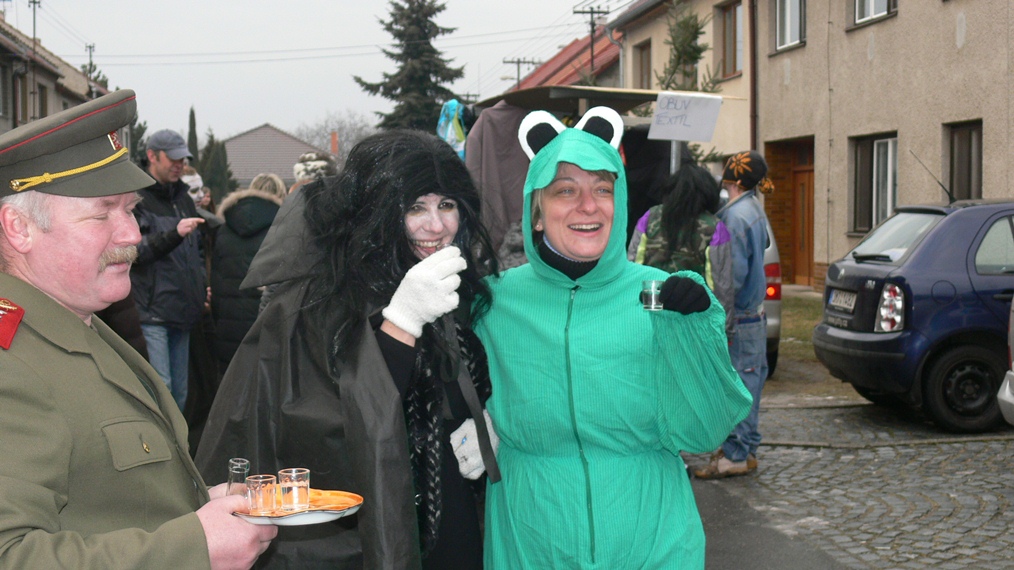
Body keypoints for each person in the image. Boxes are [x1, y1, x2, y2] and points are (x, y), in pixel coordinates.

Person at [196, 130, 500, 569]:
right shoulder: (315, 301)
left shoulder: (449, 280)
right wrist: (401, 325)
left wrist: (483, 419)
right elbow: (328, 428)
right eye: (415, 207)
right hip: (354, 532)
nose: (436, 226)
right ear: (377, 212)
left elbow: (456, 384)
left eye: (447, 205)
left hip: (445, 514)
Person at [0, 89, 275, 569]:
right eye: (102, 213)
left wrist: (198, 507)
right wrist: (193, 546)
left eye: (128, 210)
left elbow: (100, 498)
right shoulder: (12, 364)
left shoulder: (78, 323)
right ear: (19, 228)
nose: (130, 234)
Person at [472, 107, 752, 568]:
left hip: (650, 539)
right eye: (566, 190)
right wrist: (470, 422)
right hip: (533, 538)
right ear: (536, 213)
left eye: (602, 189)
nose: (588, 205)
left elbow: (703, 433)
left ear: (618, 202)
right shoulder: (494, 301)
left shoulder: (658, 295)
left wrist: (692, 333)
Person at [694, 150, 775, 480]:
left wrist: (720, 314)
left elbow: (733, 276)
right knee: (750, 382)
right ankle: (746, 449)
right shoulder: (753, 209)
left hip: (740, 316)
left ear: (732, 180)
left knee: (739, 385)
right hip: (754, 314)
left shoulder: (735, 218)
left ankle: (736, 454)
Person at [131, 128, 207, 412]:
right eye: (173, 159)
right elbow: (134, 252)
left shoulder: (184, 199)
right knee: (162, 392)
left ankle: (177, 441)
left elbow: (197, 251)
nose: (180, 165)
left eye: (182, 159)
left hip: (183, 310)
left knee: (180, 394)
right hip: (153, 313)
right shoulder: (136, 198)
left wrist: (201, 286)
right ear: (152, 156)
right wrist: (174, 234)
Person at [632, 161, 735, 331]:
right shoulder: (715, 228)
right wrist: (726, 330)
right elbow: (721, 287)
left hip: (648, 317)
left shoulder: (649, 218)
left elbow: (633, 264)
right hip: (693, 322)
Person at [209, 173, 285, 372]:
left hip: (228, 321)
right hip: (263, 323)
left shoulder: (224, 228)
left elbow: (216, 280)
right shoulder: (282, 228)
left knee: (230, 381)